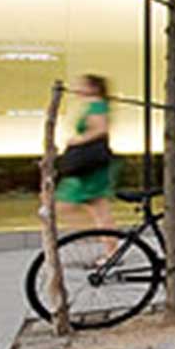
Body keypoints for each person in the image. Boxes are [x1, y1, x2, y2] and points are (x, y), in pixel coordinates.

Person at [51, 74, 115, 237]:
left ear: (93, 88)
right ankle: (106, 242)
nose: (78, 89)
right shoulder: (95, 105)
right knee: (99, 210)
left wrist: (78, 140)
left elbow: (100, 129)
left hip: (89, 166)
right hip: (91, 166)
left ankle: (92, 235)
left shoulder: (97, 106)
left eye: (83, 86)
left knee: (66, 206)